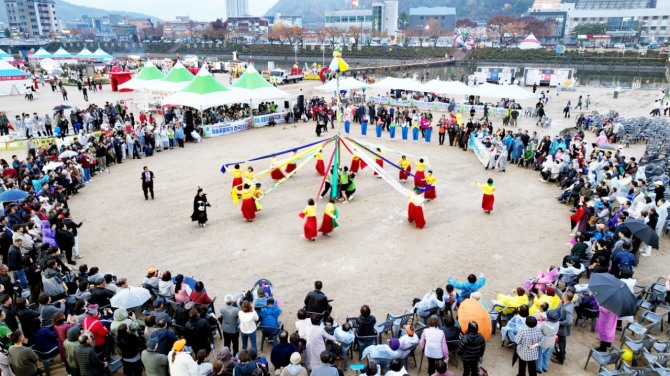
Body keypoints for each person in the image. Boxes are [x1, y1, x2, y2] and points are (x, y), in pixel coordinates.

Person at [552, 290, 574, 365]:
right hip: (562, 330)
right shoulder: (570, 302)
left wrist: (559, 323)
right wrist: (555, 288)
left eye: (563, 295)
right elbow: (561, 294)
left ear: (566, 298)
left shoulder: (567, 309)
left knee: (559, 343)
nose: (562, 296)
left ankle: (560, 358)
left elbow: (569, 321)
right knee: (561, 342)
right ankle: (560, 353)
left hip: (562, 330)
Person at [537, 310, 560, 374]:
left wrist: (539, 318)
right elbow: (548, 322)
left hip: (544, 341)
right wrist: (543, 317)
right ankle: (545, 367)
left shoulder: (544, 324)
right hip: (552, 341)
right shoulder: (557, 323)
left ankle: (539, 368)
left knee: (540, 355)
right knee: (547, 355)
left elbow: (538, 328)